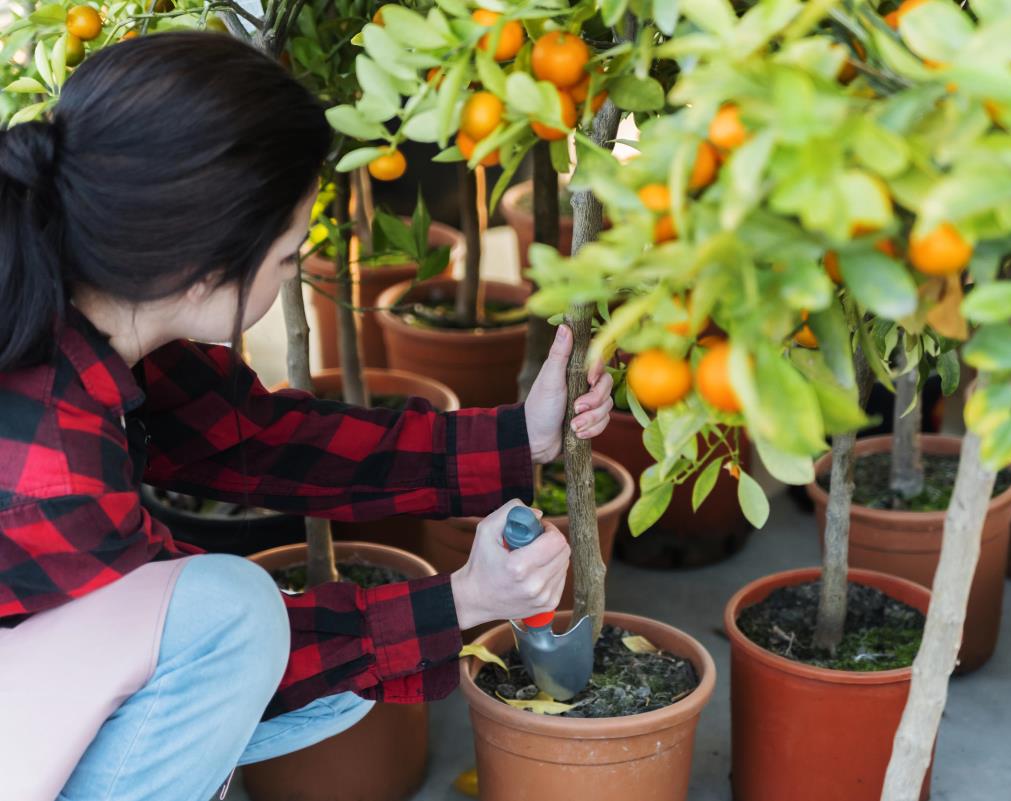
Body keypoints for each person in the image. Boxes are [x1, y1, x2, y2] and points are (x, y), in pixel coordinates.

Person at [0, 31, 614, 801]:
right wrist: (465, 598)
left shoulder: (89, 303)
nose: (298, 265)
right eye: (290, 254)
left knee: (304, 655)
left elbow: (258, 438)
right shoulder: (48, 467)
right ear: (200, 269)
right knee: (240, 614)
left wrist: (521, 435)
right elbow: (209, 652)